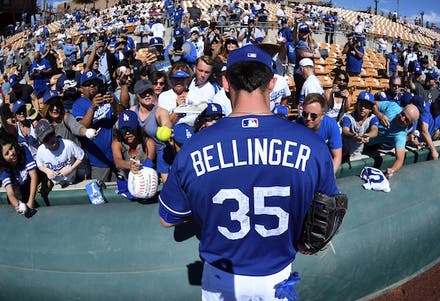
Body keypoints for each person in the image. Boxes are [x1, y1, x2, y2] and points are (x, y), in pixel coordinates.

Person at [158, 44, 339, 300]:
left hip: (220, 281)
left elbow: (168, 218)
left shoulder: (193, 147)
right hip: (278, 277)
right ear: (273, 83)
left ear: (224, 83)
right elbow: (328, 212)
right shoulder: (313, 146)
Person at [131, 79, 172, 183]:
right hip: (143, 154)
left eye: (150, 92)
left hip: (161, 153)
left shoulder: (159, 111)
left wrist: (166, 128)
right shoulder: (132, 111)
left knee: (166, 182)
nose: (147, 95)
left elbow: (166, 122)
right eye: (143, 93)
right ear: (137, 95)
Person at [367, 102, 420, 179]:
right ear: (402, 110)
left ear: (410, 123)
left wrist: (392, 170)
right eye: (403, 114)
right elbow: (373, 103)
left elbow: (400, 159)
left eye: (406, 120)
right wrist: (380, 115)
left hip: (367, 143)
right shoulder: (393, 107)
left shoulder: (400, 135)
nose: (402, 118)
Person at [112, 110, 156, 200]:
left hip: (145, 184)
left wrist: (139, 167)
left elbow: (149, 162)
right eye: (123, 130)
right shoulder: (117, 143)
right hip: (125, 183)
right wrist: (130, 165)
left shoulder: (148, 142)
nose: (127, 133)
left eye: (130, 129)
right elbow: (118, 162)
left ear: (137, 127)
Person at [35, 119, 85, 187]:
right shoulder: (41, 150)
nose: (50, 140)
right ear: (41, 142)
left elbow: (81, 156)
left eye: (51, 134)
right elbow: (40, 165)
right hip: (56, 184)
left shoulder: (68, 144)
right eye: (46, 139)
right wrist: (47, 171)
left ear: (54, 132)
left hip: (72, 181)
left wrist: (70, 169)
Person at [300, 93, 342, 174]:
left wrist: (328, 179)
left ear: (322, 115)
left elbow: (337, 157)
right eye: (305, 114)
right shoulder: (298, 125)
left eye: (313, 115)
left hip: (323, 164)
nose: (308, 118)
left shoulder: (331, 125)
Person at [0, 133, 38, 218]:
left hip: (30, 182)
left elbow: (34, 176)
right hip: (18, 189)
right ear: (2, 157)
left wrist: (30, 202)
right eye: (7, 153)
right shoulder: (3, 169)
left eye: (11, 148)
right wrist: (18, 205)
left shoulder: (23, 150)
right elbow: (10, 192)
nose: (11, 153)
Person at [341, 91, 379, 159]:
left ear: (370, 109)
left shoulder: (373, 118)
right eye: (361, 104)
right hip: (343, 153)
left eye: (366, 106)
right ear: (357, 105)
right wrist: (353, 135)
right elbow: (345, 130)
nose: (363, 108)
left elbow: (375, 131)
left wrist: (367, 136)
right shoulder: (348, 117)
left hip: (358, 154)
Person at [419, 92, 440, 160]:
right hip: (416, 141)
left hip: (426, 143)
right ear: (436, 101)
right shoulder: (426, 109)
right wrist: (433, 150)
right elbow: (424, 131)